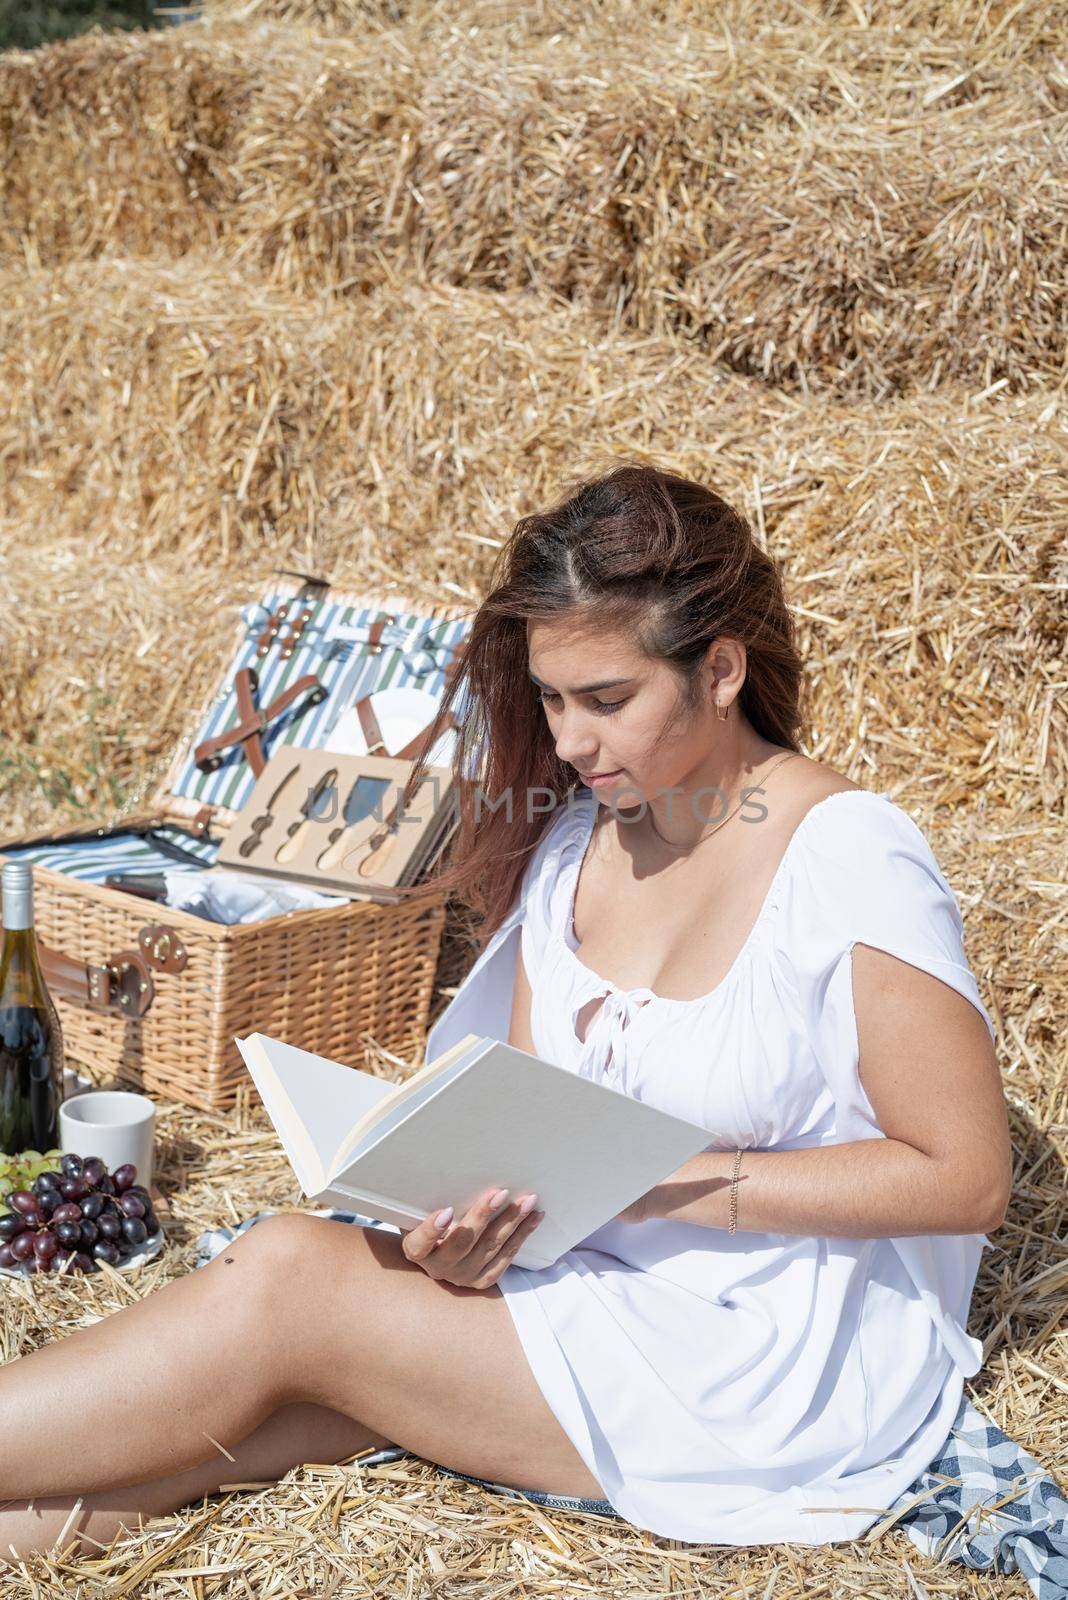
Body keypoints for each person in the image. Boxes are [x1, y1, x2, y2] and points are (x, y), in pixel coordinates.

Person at [0, 462, 1012, 1561]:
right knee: (273, 1415)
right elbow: (533, 1127)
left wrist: (662, 1180)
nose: (570, 742)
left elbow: (964, 1178)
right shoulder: (577, 845)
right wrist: (475, 1234)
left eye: (608, 700)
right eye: (550, 698)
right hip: (586, 1294)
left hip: (767, 1360)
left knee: (293, 1277)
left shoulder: (849, 856)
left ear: (720, 669)